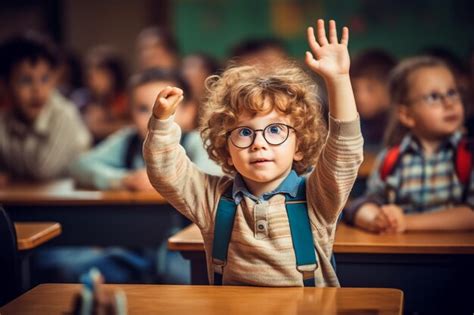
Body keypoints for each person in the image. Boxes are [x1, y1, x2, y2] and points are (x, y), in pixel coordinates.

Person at [144, 19, 363, 286]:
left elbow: (345, 152)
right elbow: (166, 170)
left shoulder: (318, 199)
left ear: (299, 144)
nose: (259, 143)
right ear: (226, 149)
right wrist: (162, 123)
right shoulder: (212, 200)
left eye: (274, 130)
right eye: (245, 132)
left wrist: (339, 80)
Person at [345, 56, 474, 233]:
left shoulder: (468, 155)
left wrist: (405, 222)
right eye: (434, 97)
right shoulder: (392, 158)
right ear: (406, 115)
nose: (449, 103)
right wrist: (376, 218)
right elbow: (366, 202)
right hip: (404, 258)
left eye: (452, 92)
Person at [0, 32, 91, 184]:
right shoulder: (5, 120)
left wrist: (10, 176)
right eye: (26, 80)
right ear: (5, 85)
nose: (37, 89)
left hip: (70, 203)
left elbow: (43, 170)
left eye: (45, 79)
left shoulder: (64, 114)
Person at [71, 46, 129, 144]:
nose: (93, 82)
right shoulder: (83, 98)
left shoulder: (125, 99)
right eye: (90, 76)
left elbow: (135, 126)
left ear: (113, 75)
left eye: (100, 75)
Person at [350, 49, 397, 153]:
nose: (360, 98)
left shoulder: (400, 126)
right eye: (355, 89)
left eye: (370, 89)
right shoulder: (355, 123)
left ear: (389, 88)